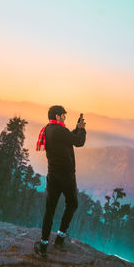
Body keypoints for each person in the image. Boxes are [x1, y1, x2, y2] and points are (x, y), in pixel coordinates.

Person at [34, 105, 86, 257]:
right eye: (63, 115)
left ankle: (43, 245)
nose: (65, 117)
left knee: (50, 209)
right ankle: (60, 238)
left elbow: (68, 138)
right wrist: (82, 129)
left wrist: (76, 128)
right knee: (72, 204)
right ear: (57, 116)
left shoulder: (49, 129)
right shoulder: (60, 130)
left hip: (53, 175)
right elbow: (78, 142)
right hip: (67, 176)